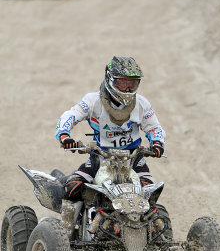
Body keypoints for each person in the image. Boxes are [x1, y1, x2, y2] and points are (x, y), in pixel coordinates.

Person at [55, 57, 165, 231]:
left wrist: (158, 142)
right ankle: (64, 234)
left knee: (148, 194)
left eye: (133, 84)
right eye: (123, 84)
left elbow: (154, 127)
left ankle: (159, 236)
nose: (128, 89)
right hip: (100, 157)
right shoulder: (93, 101)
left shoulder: (142, 104)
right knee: (72, 187)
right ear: (110, 79)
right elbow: (70, 115)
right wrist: (64, 135)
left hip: (133, 159)